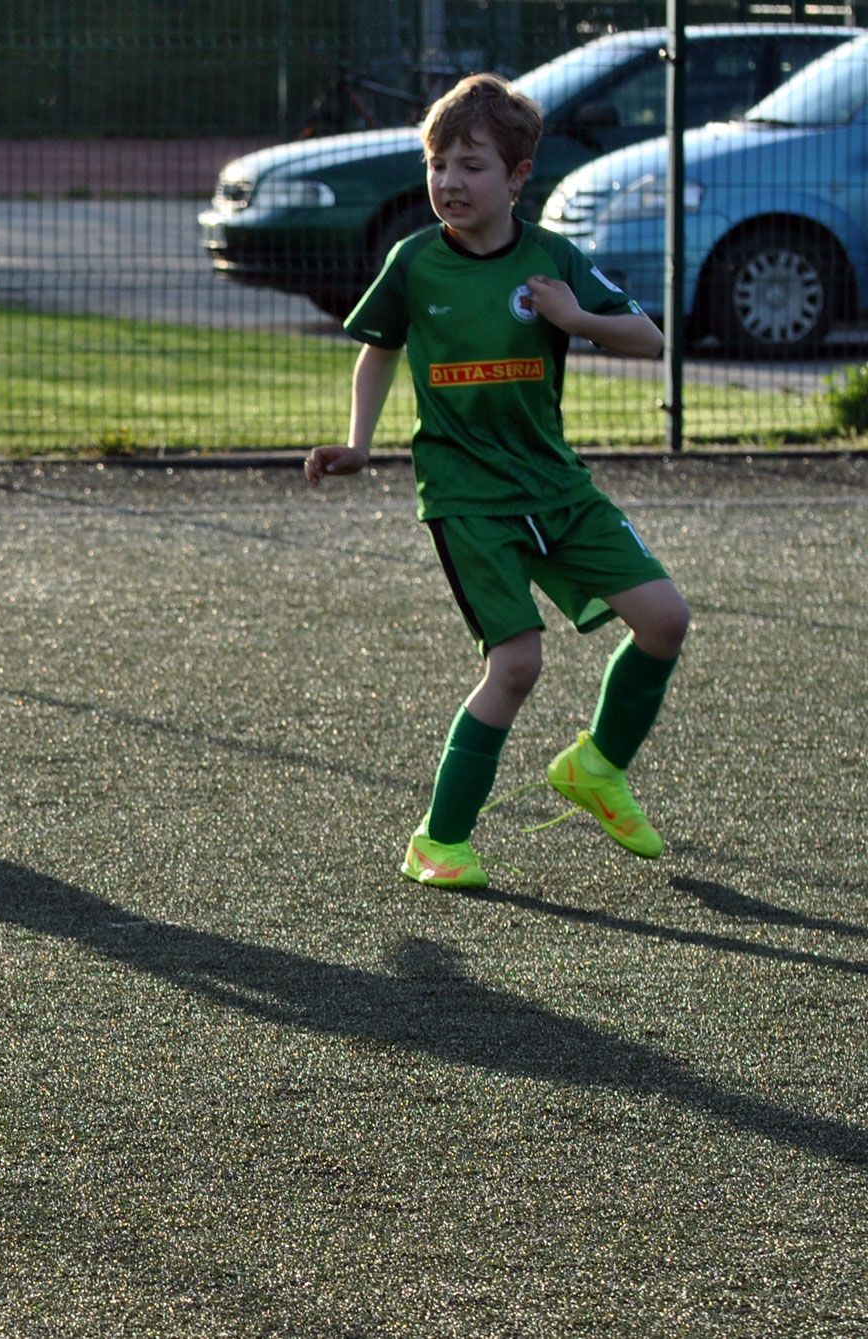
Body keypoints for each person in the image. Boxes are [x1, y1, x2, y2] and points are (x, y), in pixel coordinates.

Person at [302, 73, 689, 890]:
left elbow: (648, 339)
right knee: (516, 665)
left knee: (665, 620)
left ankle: (595, 766)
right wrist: (358, 443)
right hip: (466, 497)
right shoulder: (414, 263)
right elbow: (378, 350)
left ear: (517, 178)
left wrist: (576, 320)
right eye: (439, 162)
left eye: (471, 165)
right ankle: (439, 841)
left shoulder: (552, 260)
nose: (449, 181)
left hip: (556, 486)